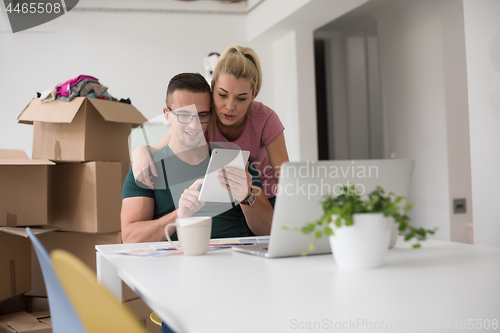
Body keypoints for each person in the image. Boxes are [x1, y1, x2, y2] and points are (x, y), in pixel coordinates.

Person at [121, 72, 273, 244]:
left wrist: (247, 196)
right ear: (167, 114)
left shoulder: (235, 162)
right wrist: (178, 216)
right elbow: (130, 238)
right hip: (175, 266)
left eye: (202, 115)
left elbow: (270, 230)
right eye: (184, 115)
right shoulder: (147, 168)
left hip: (235, 262)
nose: (194, 126)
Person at [132, 45, 289, 207]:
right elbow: (161, 150)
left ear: (253, 95)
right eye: (222, 95)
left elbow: (285, 178)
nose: (229, 106)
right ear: (213, 86)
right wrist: (140, 151)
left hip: (264, 196)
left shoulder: (266, 119)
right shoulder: (202, 116)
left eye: (241, 98)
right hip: (223, 196)